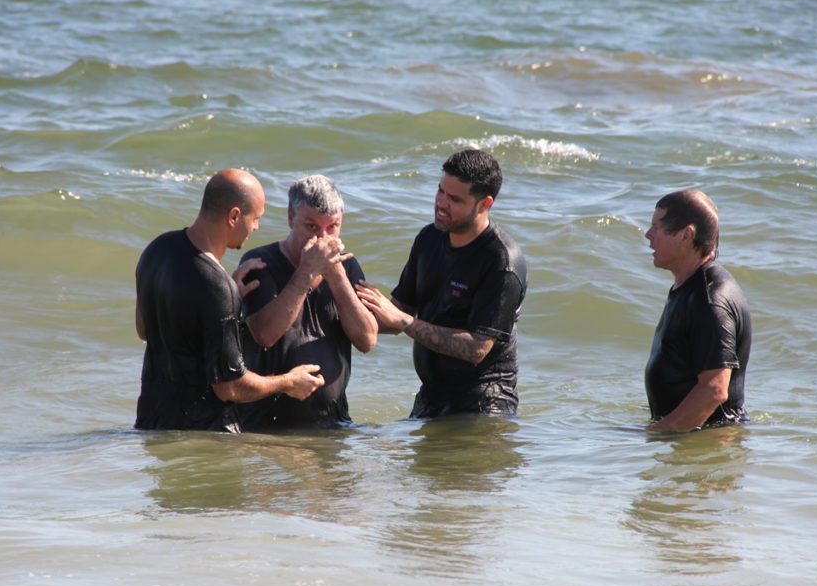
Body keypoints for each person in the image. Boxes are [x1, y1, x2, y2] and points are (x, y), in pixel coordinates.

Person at [134, 169, 324, 432]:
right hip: (206, 439)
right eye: (255, 218)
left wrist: (224, 303)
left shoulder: (156, 251)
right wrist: (288, 382)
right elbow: (230, 387)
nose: (256, 227)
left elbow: (145, 330)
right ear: (234, 216)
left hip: (153, 423)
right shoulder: (217, 286)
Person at [356, 149, 528, 418]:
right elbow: (394, 313)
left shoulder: (501, 261)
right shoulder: (429, 239)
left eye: (454, 199)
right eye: (440, 192)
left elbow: (477, 348)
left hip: (483, 407)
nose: (441, 203)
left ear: (484, 204)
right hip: (430, 399)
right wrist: (338, 303)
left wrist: (405, 322)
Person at [235, 174, 377, 429]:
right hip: (266, 428)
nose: (322, 238)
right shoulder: (260, 262)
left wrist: (336, 276)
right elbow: (265, 334)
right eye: (311, 227)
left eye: (332, 227)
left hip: (334, 423)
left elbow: (366, 340)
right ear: (291, 218)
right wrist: (306, 272)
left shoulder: (346, 266)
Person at [643, 188, 751, 432]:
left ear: (686, 235)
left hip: (708, 445)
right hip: (693, 439)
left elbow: (714, 390)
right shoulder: (690, 288)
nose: (648, 235)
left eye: (657, 227)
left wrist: (654, 433)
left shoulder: (709, 299)